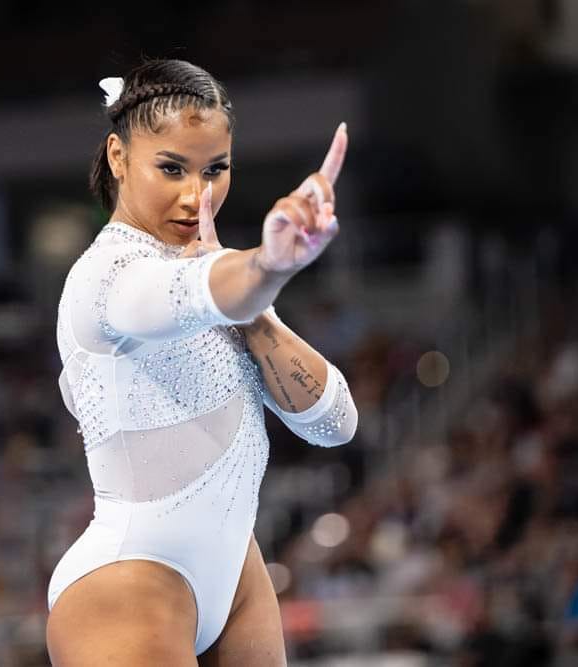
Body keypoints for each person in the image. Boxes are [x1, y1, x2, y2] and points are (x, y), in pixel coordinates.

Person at [46, 59, 358, 666]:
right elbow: (184, 294)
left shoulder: (219, 280)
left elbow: (335, 423)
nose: (197, 195)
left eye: (215, 169)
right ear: (118, 157)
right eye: (171, 168)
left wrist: (255, 308)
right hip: (130, 584)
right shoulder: (105, 277)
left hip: (237, 579)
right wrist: (267, 266)